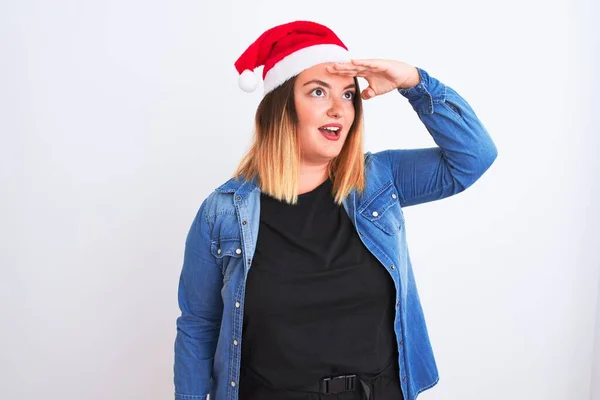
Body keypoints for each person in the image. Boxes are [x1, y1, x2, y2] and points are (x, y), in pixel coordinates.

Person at [173, 20, 498, 400]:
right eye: (317, 92)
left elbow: (473, 157)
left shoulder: (377, 180)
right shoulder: (223, 213)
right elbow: (199, 325)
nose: (338, 109)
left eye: (347, 95)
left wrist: (413, 81)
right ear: (281, 107)